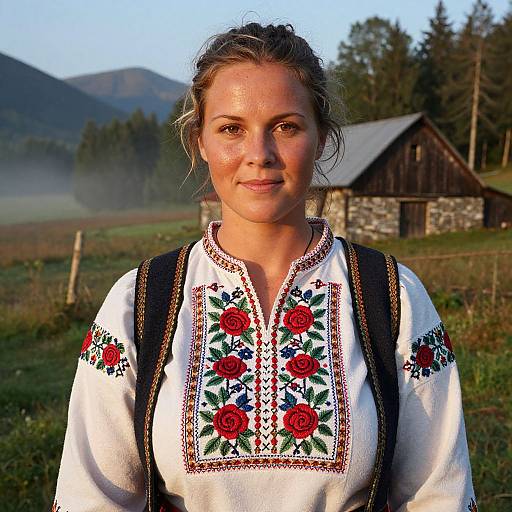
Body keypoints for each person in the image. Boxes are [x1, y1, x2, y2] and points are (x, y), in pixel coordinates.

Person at [52, 22, 477, 512]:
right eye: (232, 128)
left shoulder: (392, 298)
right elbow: (91, 498)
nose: (259, 154)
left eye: (286, 126)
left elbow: (438, 495)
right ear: (200, 143)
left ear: (321, 140)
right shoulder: (139, 302)